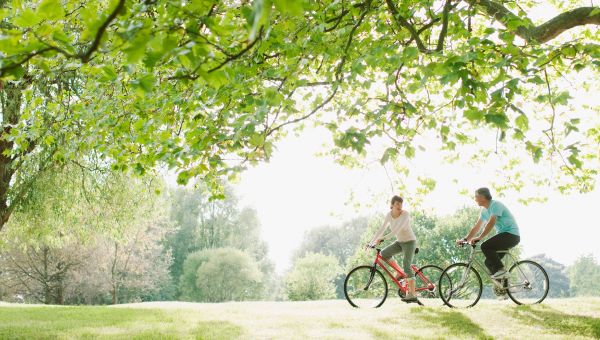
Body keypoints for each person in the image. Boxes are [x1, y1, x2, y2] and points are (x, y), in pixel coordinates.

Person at [458, 187, 520, 280]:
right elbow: (477, 227)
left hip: (511, 235)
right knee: (489, 262)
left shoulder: (495, 205)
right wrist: (466, 239)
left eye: (476, 196)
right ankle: (502, 286)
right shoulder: (484, 211)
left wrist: (480, 237)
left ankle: (502, 270)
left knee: (485, 246)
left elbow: (491, 222)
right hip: (504, 236)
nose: (475, 199)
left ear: (483, 197)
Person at [370, 195, 418, 303]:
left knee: (406, 264)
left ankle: (413, 294)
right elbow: (381, 229)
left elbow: (395, 231)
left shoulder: (405, 214)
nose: (400, 206)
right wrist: (371, 242)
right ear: (392, 205)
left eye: (401, 204)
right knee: (383, 254)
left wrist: (382, 239)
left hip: (410, 242)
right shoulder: (389, 215)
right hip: (400, 242)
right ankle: (400, 272)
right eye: (397, 204)